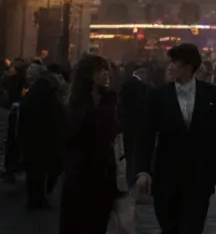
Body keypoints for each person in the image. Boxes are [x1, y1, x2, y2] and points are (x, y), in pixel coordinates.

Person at [135, 43, 216, 234]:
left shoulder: (211, 94)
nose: (169, 67)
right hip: (166, 177)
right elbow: (147, 135)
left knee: (192, 228)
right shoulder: (158, 96)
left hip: (198, 179)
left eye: (174, 62)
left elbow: (215, 137)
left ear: (188, 66)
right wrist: (143, 170)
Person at [60, 55, 121, 234]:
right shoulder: (75, 103)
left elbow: (115, 131)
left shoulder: (111, 99)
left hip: (104, 174)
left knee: (98, 224)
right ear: (88, 74)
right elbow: (68, 136)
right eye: (100, 70)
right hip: (79, 174)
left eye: (106, 69)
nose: (105, 74)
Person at [20, 62, 65, 209]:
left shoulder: (34, 94)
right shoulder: (51, 96)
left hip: (34, 137)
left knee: (34, 170)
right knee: (42, 169)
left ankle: (35, 198)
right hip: (45, 137)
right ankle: (40, 197)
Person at [119, 66, 151, 186]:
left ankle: (129, 177)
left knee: (129, 152)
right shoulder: (143, 86)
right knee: (135, 151)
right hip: (138, 123)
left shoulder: (125, 84)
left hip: (128, 123)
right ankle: (133, 176)